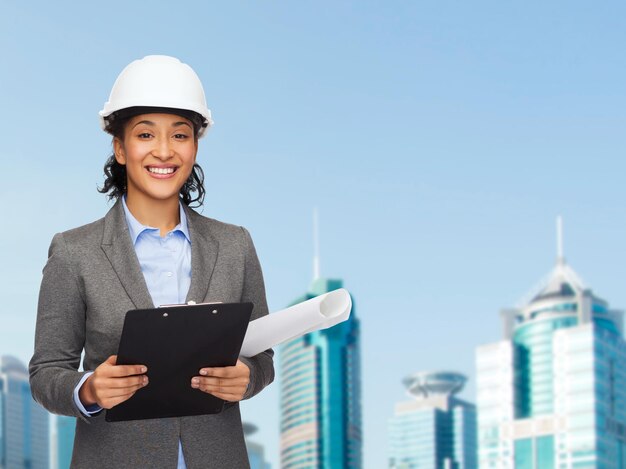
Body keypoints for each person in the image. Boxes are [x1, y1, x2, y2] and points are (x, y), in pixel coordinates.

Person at [29, 55, 274, 469]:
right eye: (146, 134)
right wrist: (88, 389)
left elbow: (262, 358)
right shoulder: (74, 252)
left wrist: (247, 377)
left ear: (195, 147)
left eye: (180, 135)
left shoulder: (236, 245)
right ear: (120, 148)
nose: (164, 151)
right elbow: (47, 373)